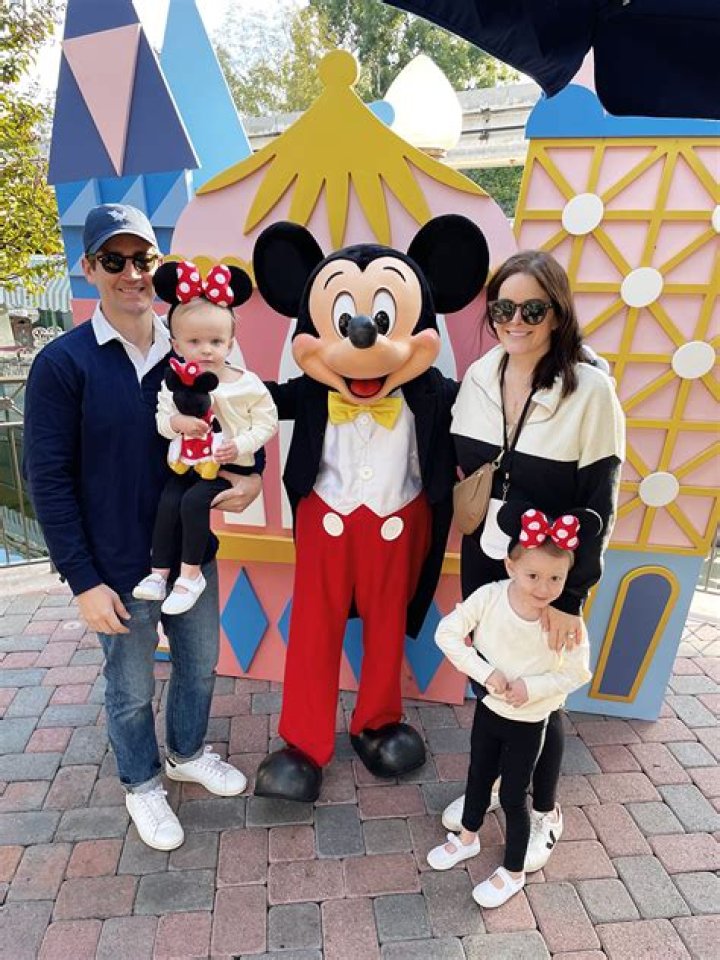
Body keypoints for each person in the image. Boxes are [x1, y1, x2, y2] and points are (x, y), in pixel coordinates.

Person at [23, 204, 264, 852]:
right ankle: (142, 782)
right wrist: (82, 581)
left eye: (142, 259)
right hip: (115, 564)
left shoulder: (194, 346)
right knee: (129, 686)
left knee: (201, 665)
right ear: (89, 267)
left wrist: (252, 478)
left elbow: (242, 421)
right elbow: (47, 479)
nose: (131, 273)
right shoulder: (63, 364)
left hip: (190, 554)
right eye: (114, 260)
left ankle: (186, 752)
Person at [443, 250, 625, 871]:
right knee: (495, 677)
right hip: (488, 555)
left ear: (557, 313)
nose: (515, 321)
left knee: (543, 691)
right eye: (503, 308)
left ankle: (544, 810)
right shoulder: (480, 374)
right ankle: (498, 783)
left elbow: (600, 499)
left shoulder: (590, 390)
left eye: (532, 309)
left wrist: (571, 598)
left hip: (548, 573)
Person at [427, 502, 593, 907]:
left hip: (529, 722)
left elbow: (577, 672)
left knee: (515, 796)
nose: (544, 588)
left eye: (555, 578)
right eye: (533, 575)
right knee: (478, 776)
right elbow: (447, 633)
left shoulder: (564, 622)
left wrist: (531, 687)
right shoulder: (490, 597)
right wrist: (484, 672)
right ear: (510, 566)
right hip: (490, 710)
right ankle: (468, 838)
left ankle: (514, 871)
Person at [133, 262, 277, 615]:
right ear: (176, 344)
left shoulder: (246, 383)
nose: (206, 350)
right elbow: (162, 421)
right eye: (194, 342)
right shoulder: (173, 382)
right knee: (169, 500)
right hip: (188, 463)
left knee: (194, 502)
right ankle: (158, 572)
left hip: (227, 465)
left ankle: (191, 575)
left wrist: (240, 445)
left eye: (216, 341)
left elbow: (267, 422)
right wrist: (179, 423)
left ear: (230, 343)